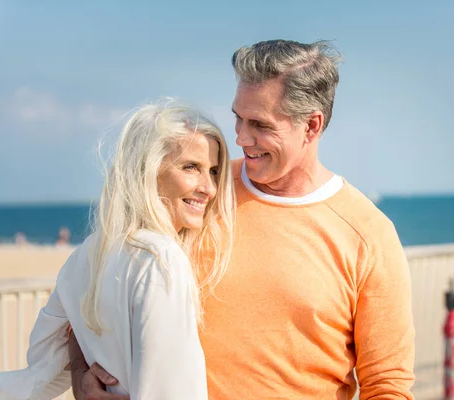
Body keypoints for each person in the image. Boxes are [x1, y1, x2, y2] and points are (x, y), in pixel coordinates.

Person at [71, 39, 416, 399]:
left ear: (311, 126)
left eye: (260, 125)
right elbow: (88, 291)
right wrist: (83, 379)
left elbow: (387, 385)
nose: (240, 138)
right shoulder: (195, 195)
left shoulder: (368, 234)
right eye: (238, 118)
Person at [0, 101, 235, 399]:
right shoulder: (162, 259)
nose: (209, 188)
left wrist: (81, 371)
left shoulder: (88, 253)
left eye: (214, 171)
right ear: (147, 170)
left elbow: (43, 361)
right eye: (191, 167)